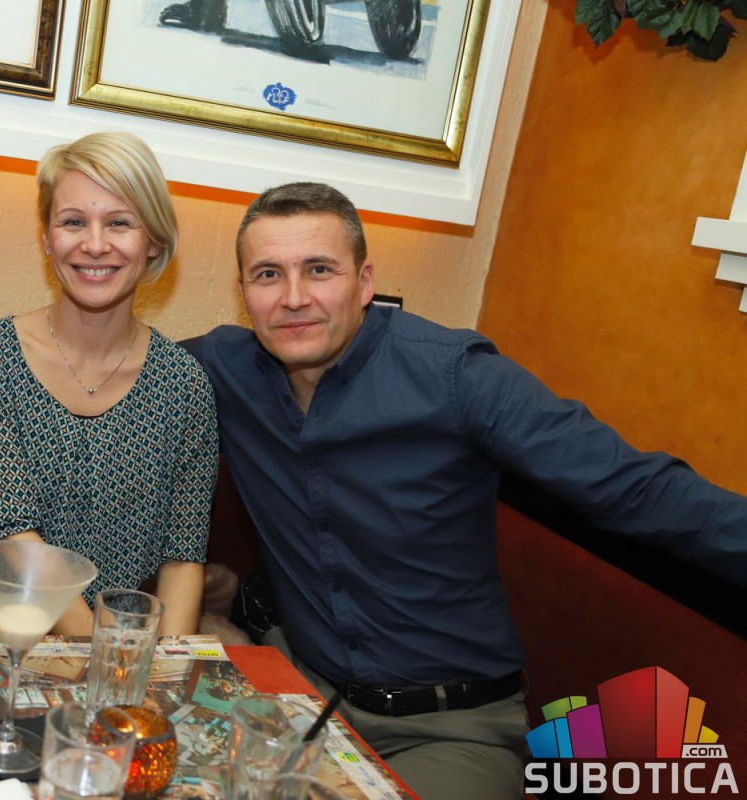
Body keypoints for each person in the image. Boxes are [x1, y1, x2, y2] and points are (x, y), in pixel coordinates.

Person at [184, 182, 747, 800]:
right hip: (302, 690)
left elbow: (635, 488)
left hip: (449, 728)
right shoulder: (224, 367)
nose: (294, 297)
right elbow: (118, 369)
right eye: (268, 274)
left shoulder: (455, 377)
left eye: (319, 269)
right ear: (244, 291)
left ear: (364, 282)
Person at [0, 132, 218, 637]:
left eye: (119, 223)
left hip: (113, 651)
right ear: (46, 238)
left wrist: (165, 666)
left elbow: (183, 555)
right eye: (73, 222)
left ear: (153, 241)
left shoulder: (184, 385)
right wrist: (108, 657)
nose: (94, 244)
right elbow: (11, 533)